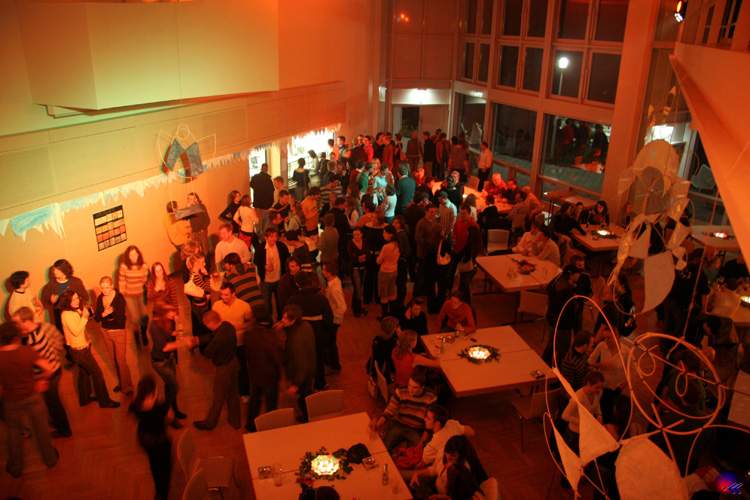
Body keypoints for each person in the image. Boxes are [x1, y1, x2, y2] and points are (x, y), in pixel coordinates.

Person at [0, 322, 59, 478]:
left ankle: (15, 467)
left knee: (13, 433)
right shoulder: (26, 351)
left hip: (11, 400)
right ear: (16, 337)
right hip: (32, 396)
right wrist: (42, 380)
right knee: (41, 429)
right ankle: (50, 459)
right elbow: (49, 368)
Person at [173, 311, 240, 430]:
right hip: (234, 362)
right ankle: (235, 421)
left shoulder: (218, 339)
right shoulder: (228, 326)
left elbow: (207, 353)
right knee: (233, 393)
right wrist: (197, 340)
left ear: (211, 323)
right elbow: (212, 335)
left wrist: (192, 345)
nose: (206, 327)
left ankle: (210, 423)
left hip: (224, 368)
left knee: (218, 396)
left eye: (206, 324)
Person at [12, 307, 71, 438]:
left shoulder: (33, 339)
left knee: (53, 403)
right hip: (54, 369)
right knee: (52, 402)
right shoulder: (41, 327)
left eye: (17, 323)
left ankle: (64, 430)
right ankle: (58, 424)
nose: (16, 326)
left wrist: (43, 380)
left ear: (26, 321)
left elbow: (44, 366)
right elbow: (57, 343)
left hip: (48, 375)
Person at [59, 290, 119, 408]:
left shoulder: (73, 311)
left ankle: (85, 399)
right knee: (97, 374)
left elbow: (82, 324)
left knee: (84, 373)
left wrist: (90, 316)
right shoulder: (66, 314)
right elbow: (76, 331)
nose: (77, 301)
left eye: (77, 298)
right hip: (79, 351)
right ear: (67, 301)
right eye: (73, 299)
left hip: (81, 348)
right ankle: (105, 401)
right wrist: (85, 317)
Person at [287, 272, 334, 391]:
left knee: (301, 360)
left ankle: (304, 386)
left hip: (300, 336)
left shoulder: (293, 299)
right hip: (318, 334)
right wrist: (326, 333)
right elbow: (329, 318)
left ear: (297, 284)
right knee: (319, 358)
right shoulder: (321, 298)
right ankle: (320, 383)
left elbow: (289, 319)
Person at [128, 375, 173, 500]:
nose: (158, 392)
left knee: (154, 464)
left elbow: (133, 413)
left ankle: (158, 492)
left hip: (145, 438)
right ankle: (162, 494)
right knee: (164, 469)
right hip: (159, 441)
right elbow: (170, 418)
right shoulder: (160, 406)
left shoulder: (136, 405)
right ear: (151, 393)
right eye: (156, 390)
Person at [371, 368, 437, 451]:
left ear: (423, 387)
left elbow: (429, 425)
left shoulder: (431, 398)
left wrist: (421, 444)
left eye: (415, 387)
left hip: (417, 429)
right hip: (399, 424)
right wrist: (377, 425)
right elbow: (389, 410)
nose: (410, 390)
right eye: (409, 385)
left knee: (418, 452)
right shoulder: (400, 391)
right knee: (384, 448)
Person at [244, 304, 283, 431]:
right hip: (270, 374)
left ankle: (250, 424)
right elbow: (276, 357)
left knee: (255, 399)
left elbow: (247, 353)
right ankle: (270, 425)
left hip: (255, 372)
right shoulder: (271, 335)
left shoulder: (249, 333)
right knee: (271, 402)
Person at [212, 281, 252, 398]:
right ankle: (227, 391)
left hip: (239, 343)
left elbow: (250, 322)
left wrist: (238, 327)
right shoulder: (216, 306)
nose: (223, 297)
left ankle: (244, 391)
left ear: (233, 294)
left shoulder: (244, 306)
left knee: (242, 368)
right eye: (221, 294)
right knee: (224, 369)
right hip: (224, 344)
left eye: (226, 295)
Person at [94, 276, 134, 396]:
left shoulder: (119, 298)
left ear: (112, 286)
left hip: (118, 332)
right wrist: (104, 313)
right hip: (105, 332)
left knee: (121, 361)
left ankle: (128, 386)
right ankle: (121, 383)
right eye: (102, 288)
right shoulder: (100, 298)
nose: (105, 290)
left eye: (107, 287)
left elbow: (120, 321)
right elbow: (96, 318)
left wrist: (107, 316)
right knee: (113, 359)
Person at [277, 304, 316, 422]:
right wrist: (284, 327)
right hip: (310, 367)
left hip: (303, 373)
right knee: (307, 394)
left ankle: (306, 418)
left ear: (293, 320)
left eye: (285, 318)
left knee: (303, 397)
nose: (282, 320)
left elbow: (301, 363)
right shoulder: (305, 325)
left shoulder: (296, 341)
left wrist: (296, 384)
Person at [149, 303, 186, 424]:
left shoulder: (164, 321)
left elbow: (170, 334)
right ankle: (166, 412)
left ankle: (174, 410)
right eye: (172, 312)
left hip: (169, 359)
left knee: (170, 386)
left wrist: (176, 329)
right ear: (163, 313)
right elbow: (164, 347)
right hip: (160, 362)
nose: (175, 314)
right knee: (174, 387)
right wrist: (183, 343)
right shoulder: (154, 327)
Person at [561, 371, 605, 452]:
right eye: (597, 387)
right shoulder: (578, 397)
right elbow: (564, 416)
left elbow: (597, 405)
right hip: (575, 433)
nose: (599, 390)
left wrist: (599, 415)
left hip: (587, 431)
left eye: (601, 387)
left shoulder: (598, 393)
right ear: (588, 384)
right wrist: (583, 422)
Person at [41, 259, 88, 333]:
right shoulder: (50, 286)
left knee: (79, 334)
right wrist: (51, 301)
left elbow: (85, 297)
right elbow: (44, 303)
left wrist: (81, 309)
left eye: (57, 270)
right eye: (54, 270)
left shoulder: (76, 282)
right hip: (59, 317)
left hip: (75, 315)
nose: (54, 272)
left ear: (65, 270)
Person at [254, 227, 290, 320]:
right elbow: (256, 262)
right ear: (266, 237)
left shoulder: (281, 246)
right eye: (271, 236)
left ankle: (281, 319)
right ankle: (268, 321)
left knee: (280, 302)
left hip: (279, 279)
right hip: (265, 281)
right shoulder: (260, 248)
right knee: (266, 303)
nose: (274, 239)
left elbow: (288, 259)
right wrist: (264, 267)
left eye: (275, 236)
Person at [118, 245, 150, 347]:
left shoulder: (144, 266)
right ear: (128, 256)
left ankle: (143, 334)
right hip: (129, 296)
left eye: (135, 254)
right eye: (131, 255)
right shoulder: (124, 266)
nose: (133, 257)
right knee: (135, 318)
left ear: (138, 254)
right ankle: (136, 336)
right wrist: (122, 295)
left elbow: (145, 280)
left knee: (144, 316)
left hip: (141, 294)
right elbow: (122, 281)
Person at [322, 262, 346, 373]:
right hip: (333, 318)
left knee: (330, 343)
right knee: (329, 342)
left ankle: (334, 366)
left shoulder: (334, 288)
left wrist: (333, 318)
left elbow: (342, 307)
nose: (322, 272)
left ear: (329, 272)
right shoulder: (334, 281)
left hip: (334, 320)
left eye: (324, 270)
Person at [184, 254, 211, 338]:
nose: (205, 264)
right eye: (202, 262)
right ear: (196, 263)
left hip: (197, 304)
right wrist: (206, 274)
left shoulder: (194, 273)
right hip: (201, 306)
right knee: (203, 324)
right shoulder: (196, 276)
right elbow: (207, 288)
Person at [377, 224, 401, 318]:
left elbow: (379, 261)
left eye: (384, 232)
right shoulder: (398, 244)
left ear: (390, 234)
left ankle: (384, 316)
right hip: (394, 270)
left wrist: (378, 258)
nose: (383, 234)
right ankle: (392, 314)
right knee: (392, 293)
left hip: (385, 272)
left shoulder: (386, 247)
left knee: (384, 295)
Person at [349, 227, 368, 317]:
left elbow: (368, 253)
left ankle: (354, 306)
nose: (356, 236)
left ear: (361, 234)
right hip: (355, 268)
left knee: (359, 288)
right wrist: (358, 258)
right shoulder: (350, 243)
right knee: (358, 289)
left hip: (363, 268)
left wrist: (362, 257)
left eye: (358, 234)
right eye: (354, 235)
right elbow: (350, 256)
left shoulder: (365, 242)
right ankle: (357, 310)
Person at [251, 162, 275, 233]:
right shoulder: (268, 179)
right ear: (267, 169)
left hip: (257, 203)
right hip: (266, 204)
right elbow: (271, 191)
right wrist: (271, 202)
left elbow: (251, 185)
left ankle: (258, 234)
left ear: (261, 168)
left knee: (258, 220)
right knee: (265, 221)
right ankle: (264, 235)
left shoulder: (255, 177)